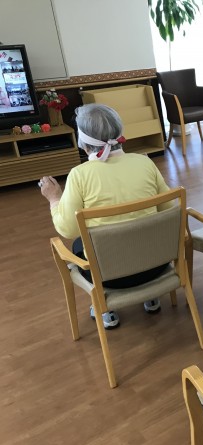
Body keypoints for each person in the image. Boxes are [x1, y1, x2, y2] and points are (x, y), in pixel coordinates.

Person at [39, 103, 174, 330]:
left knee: (79, 243)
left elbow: (68, 229)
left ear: (83, 142)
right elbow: (169, 209)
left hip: (110, 277)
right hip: (156, 265)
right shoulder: (145, 162)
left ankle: (106, 307)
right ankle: (151, 296)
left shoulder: (79, 175)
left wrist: (54, 199)